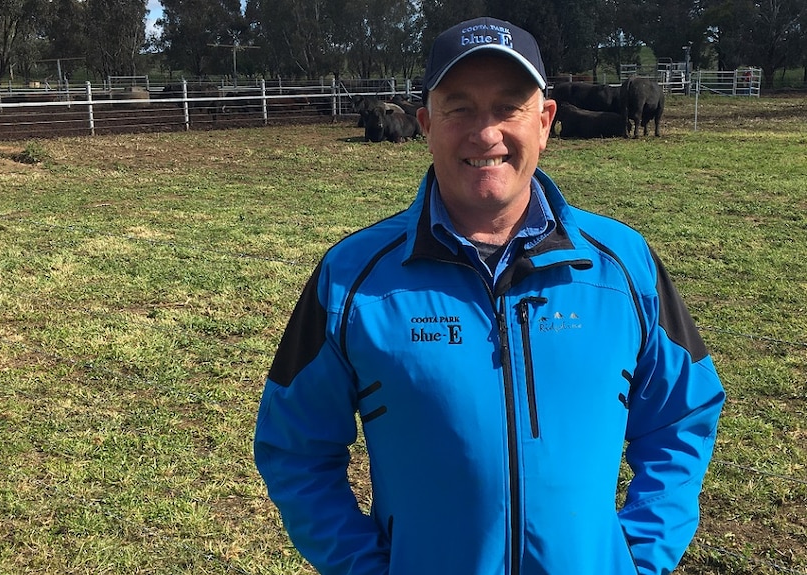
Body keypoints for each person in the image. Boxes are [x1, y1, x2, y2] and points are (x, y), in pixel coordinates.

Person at [254, 16, 725, 575]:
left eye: (508, 107)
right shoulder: (351, 277)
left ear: (545, 121)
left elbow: (684, 413)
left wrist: (639, 557)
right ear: (425, 123)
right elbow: (295, 448)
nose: (486, 133)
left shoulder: (624, 265)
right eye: (459, 108)